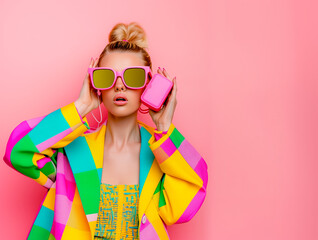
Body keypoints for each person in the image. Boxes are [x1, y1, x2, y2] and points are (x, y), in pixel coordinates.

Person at [3, 22, 208, 240]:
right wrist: (81, 106)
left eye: (133, 77)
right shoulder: (72, 151)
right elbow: (18, 151)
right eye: (107, 77)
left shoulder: (161, 154)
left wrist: (165, 130)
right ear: (96, 87)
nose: (120, 86)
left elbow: (190, 197)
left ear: (149, 85)